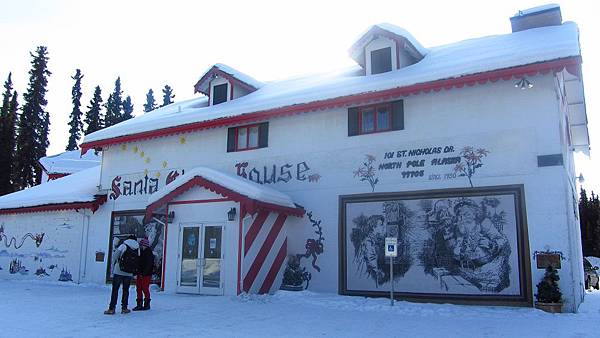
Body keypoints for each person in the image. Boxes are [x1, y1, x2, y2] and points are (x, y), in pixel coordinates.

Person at [104, 234, 139, 315]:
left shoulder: (123, 245)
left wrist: (115, 263)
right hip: (129, 272)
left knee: (115, 290)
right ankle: (124, 308)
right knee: (126, 290)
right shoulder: (137, 248)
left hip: (119, 271)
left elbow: (115, 256)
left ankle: (112, 308)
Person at [133, 237, 155, 311]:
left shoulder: (149, 253)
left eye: (141, 245)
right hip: (140, 273)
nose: (140, 246)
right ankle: (139, 304)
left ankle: (146, 304)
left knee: (145, 288)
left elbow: (149, 265)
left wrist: (144, 273)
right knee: (138, 288)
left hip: (146, 274)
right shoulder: (141, 252)